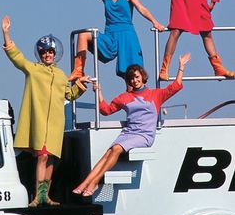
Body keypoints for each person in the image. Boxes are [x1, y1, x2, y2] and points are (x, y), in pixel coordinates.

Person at [2, 16, 91, 207]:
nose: (47, 55)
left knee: (51, 158)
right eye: (44, 52)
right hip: (40, 122)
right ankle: (37, 196)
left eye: (50, 52)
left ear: (54, 53)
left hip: (55, 124)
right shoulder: (33, 70)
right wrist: (6, 34)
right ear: (40, 54)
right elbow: (16, 57)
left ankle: (45, 195)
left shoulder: (60, 75)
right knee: (42, 156)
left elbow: (70, 95)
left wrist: (80, 85)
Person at [72, 52, 190, 197]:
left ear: (142, 77)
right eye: (131, 78)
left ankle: (95, 182)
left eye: (137, 77)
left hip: (144, 135)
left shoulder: (155, 95)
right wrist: (99, 92)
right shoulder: (125, 97)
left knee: (115, 148)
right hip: (128, 133)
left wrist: (181, 67)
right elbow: (106, 110)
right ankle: (85, 183)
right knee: (108, 152)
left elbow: (176, 86)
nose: (134, 81)